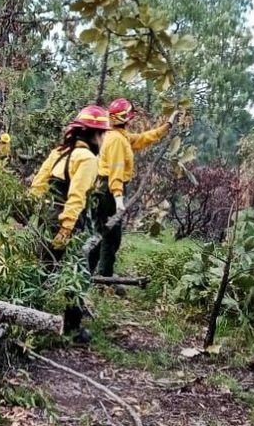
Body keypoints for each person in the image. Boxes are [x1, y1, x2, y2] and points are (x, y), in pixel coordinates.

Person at [29, 104, 111, 342]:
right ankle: (72, 329)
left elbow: (37, 185)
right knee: (78, 273)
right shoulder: (86, 159)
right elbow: (76, 198)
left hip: (46, 219)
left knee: (43, 268)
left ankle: (28, 317)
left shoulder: (59, 152)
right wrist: (66, 229)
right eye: (103, 133)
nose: (104, 138)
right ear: (95, 134)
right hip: (68, 222)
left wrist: (31, 215)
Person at [88, 98, 179, 277]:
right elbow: (116, 171)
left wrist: (167, 125)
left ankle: (92, 275)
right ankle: (102, 277)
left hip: (109, 189)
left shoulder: (120, 136)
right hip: (108, 190)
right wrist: (118, 198)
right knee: (110, 236)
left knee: (104, 234)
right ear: (125, 118)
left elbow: (142, 139)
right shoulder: (116, 140)